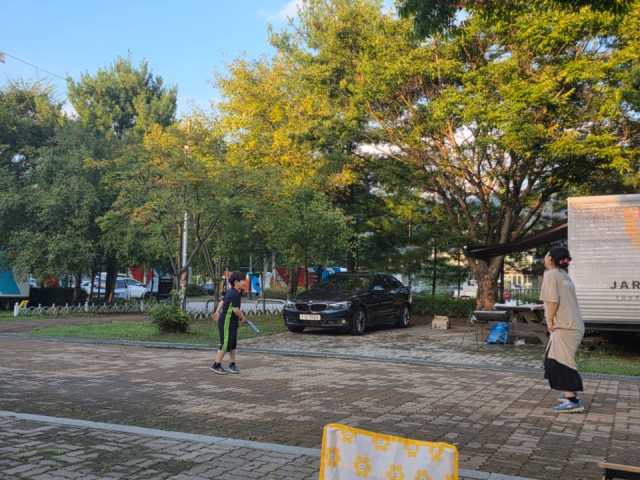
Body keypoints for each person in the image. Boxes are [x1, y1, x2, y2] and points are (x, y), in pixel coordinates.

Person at [540, 246, 585, 413]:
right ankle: (569, 391)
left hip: (564, 326)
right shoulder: (564, 275)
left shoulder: (551, 274)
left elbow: (553, 301)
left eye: (546, 254)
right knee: (552, 359)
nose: (545, 257)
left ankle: (572, 400)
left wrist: (549, 319)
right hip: (574, 324)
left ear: (550, 258)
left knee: (559, 362)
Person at [211, 271, 248, 374]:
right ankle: (216, 365)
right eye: (243, 281)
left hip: (232, 322)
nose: (245, 283)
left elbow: (223, 301)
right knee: (225, 344)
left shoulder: (230, 292)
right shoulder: (235, 294)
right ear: (236, 282)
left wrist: (217, 311)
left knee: (232, 344)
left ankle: (232, 365)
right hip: (227, 323)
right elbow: (236, 310)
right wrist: (243, 318)